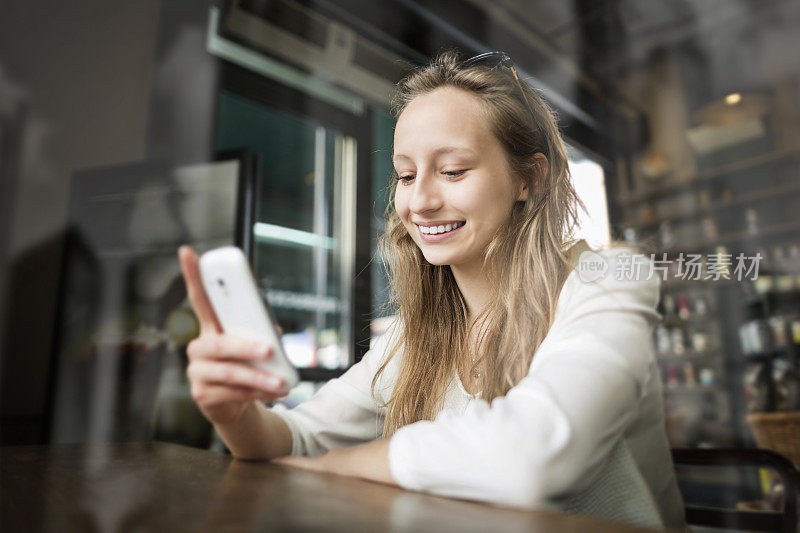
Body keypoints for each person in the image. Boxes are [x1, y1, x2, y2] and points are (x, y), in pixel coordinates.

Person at [177, 51, 686, 529]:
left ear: (529, 177)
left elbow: (533, 458)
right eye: (404, 174)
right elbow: (297, 438)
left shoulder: (608, 279)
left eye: (452, 171)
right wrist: (236, 413)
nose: (418, 201)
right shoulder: (414, 337)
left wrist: (342, 465)